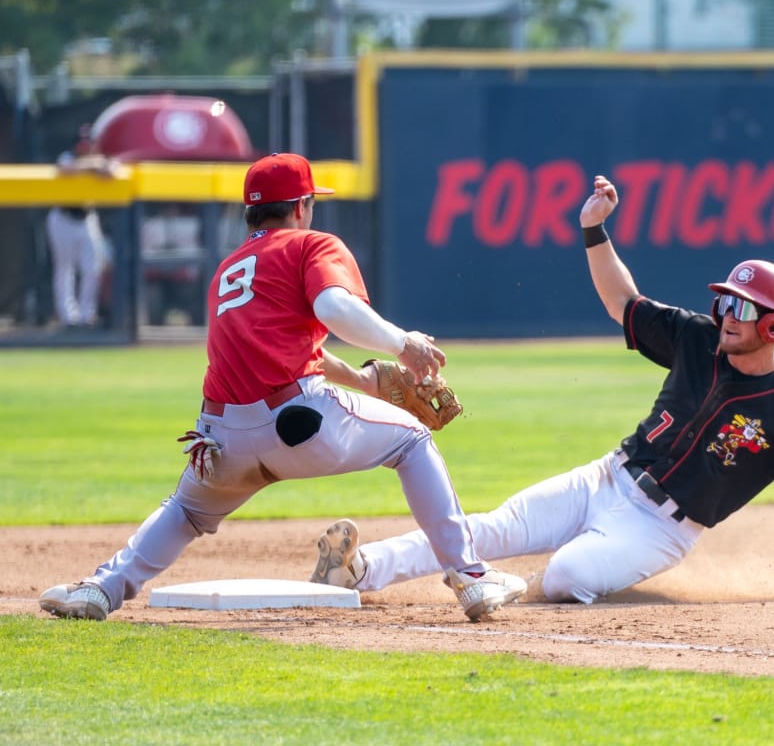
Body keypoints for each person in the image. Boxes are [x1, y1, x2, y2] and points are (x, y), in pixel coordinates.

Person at [310, 174, 774, 604]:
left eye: (744, 307)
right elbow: (622, 301)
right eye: (729, 301)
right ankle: (358, 572)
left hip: (661, 529)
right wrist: (594, 231)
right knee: (491, 528)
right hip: (606, 477)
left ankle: (576, 570)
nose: (728, 313)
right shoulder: (695, 339)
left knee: (564, 577)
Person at [40, 153, 523, 622]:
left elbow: (280, 347)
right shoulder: (311, 244)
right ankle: (470, 574)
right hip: (301, 425)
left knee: (186, 509)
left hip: (219, 440)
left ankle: (103, 589)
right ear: (299, 207)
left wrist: (358, 379)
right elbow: (334, 309)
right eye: (310, 202)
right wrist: (403, 344)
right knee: (413, 440)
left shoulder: (228, 271)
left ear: (251, 212)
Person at [46, 125, 114, 329]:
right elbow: (66, 168)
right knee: (65, 269)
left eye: (89, 142)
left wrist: (101, 165)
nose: (86, 146)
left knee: (92, 269)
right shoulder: (67, 157)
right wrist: (93, 166)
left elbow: (114, 170)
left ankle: (87, 315)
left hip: (87, 219)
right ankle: (68, 317)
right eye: (83, 142)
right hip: (63, 218)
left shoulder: (101, 159)